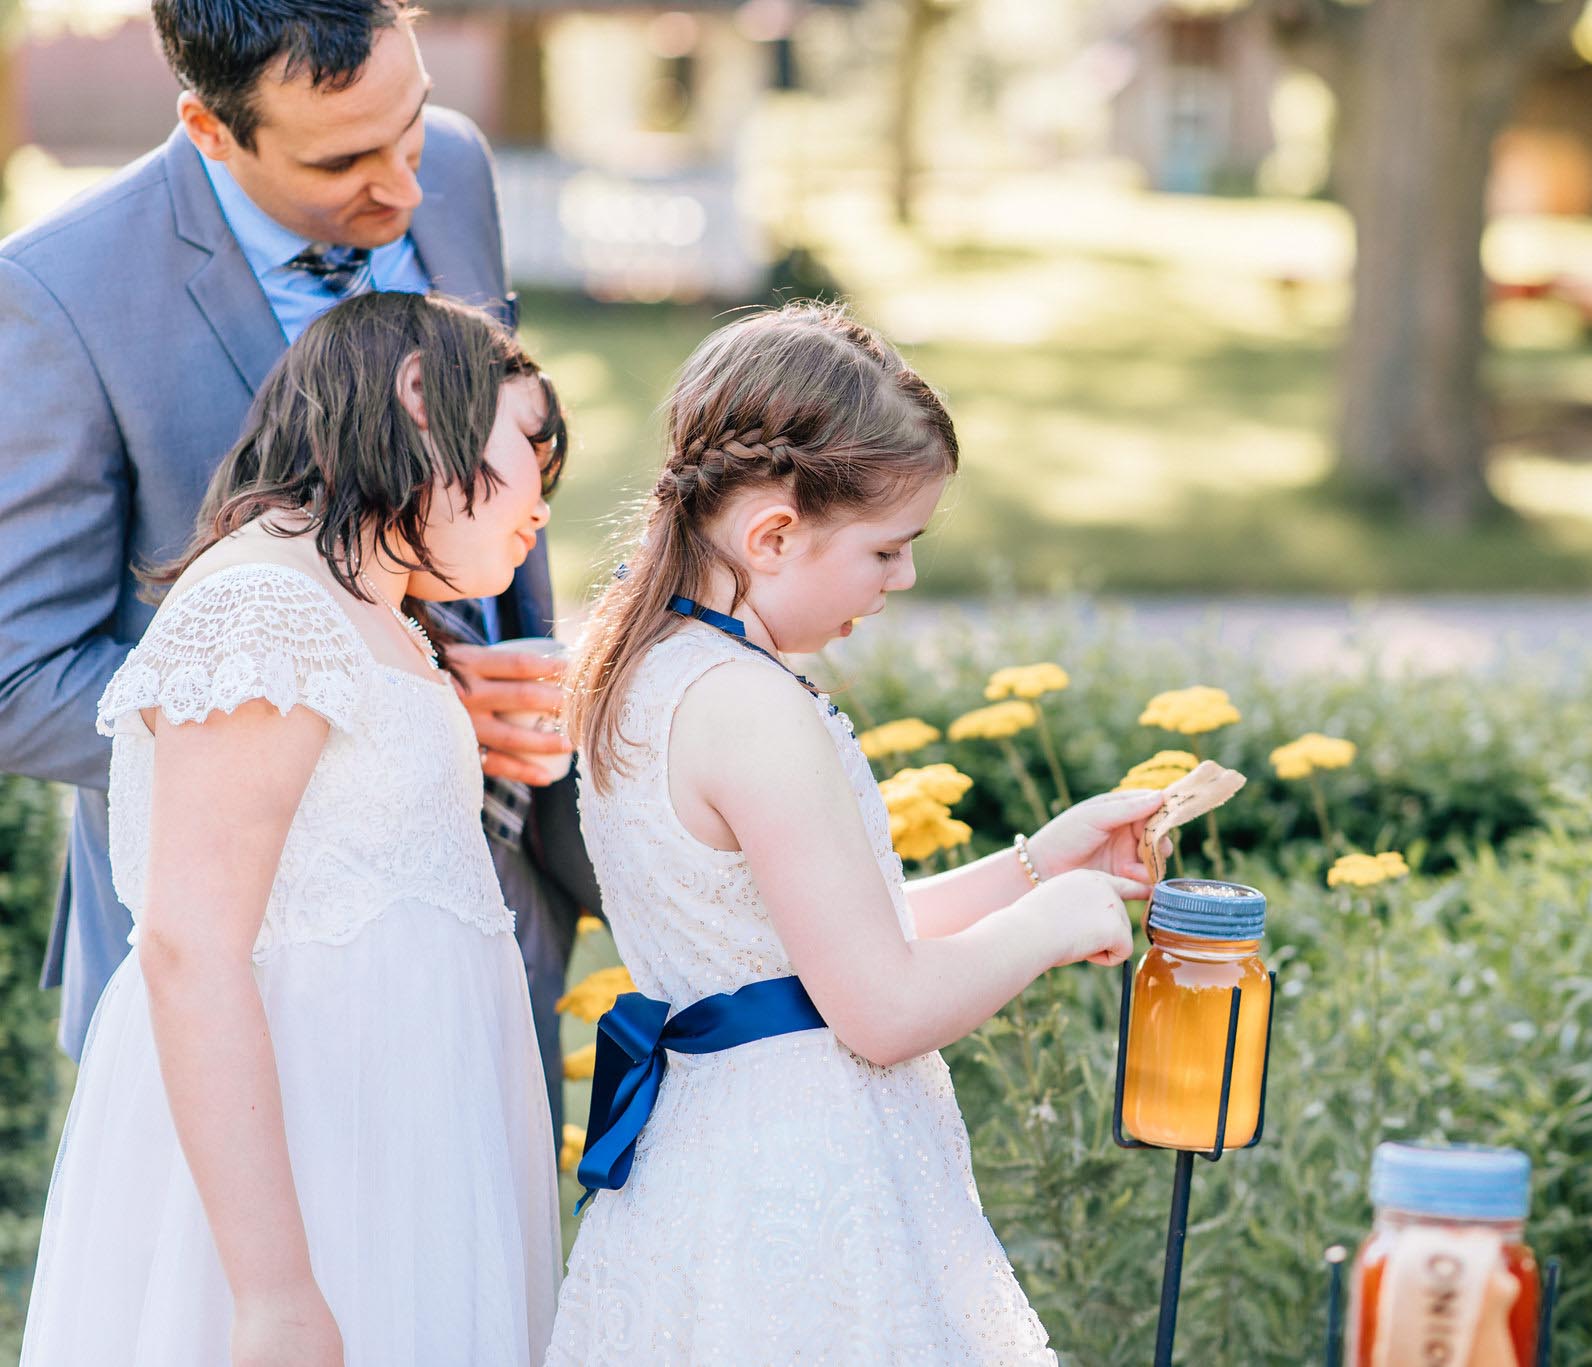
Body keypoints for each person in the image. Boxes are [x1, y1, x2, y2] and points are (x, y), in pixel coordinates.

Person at [0, 0, 593, 1125]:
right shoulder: (57, 299)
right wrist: (387, 698)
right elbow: (17, 680)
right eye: (344, 162)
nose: (404, 190)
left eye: (409, 130)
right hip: (254, 949)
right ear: (211, 128)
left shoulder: (454, 165)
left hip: (498, 884)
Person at [546, 301, 1165, 1364]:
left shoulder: (649, 666)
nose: (903, 578)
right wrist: (1055, 924)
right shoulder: (749, 707)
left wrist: (1033, 864)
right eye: (887, 548)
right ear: (773, 533)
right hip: (798, 1174)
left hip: (712, 1157)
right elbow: (876, 1006)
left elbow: (806, 942)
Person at [20, 291, 566, 1367]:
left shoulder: (378, 617)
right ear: (420, 399)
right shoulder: (262, 604)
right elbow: (191, 944)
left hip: (397, 1135)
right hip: (310, 1153)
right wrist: (272, 1291)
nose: (543, 496)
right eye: (530, 447)